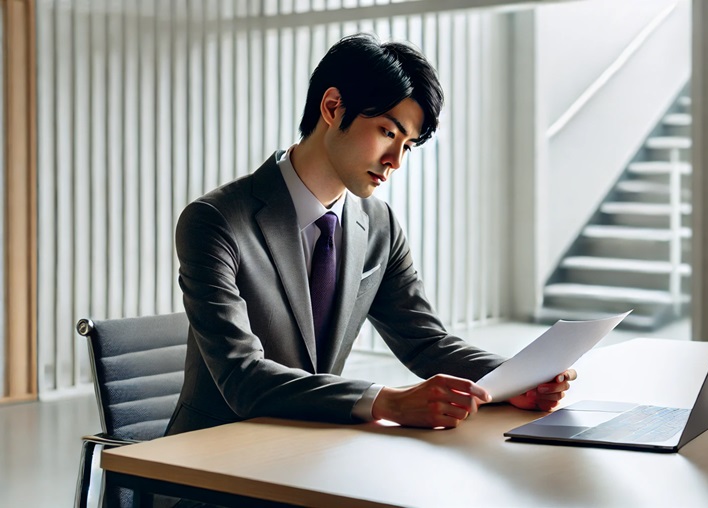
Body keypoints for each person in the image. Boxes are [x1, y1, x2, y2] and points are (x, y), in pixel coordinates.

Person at [166, 33, 576, 436]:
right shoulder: (215, 221)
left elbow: (424, 342)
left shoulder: (379, 225)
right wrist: (388, 401)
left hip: (311, 447)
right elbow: (242, 376)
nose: (395, 160)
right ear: (332, 107)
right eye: (387, 132)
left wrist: (515, 379)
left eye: (408, 145)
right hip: (206, 467)